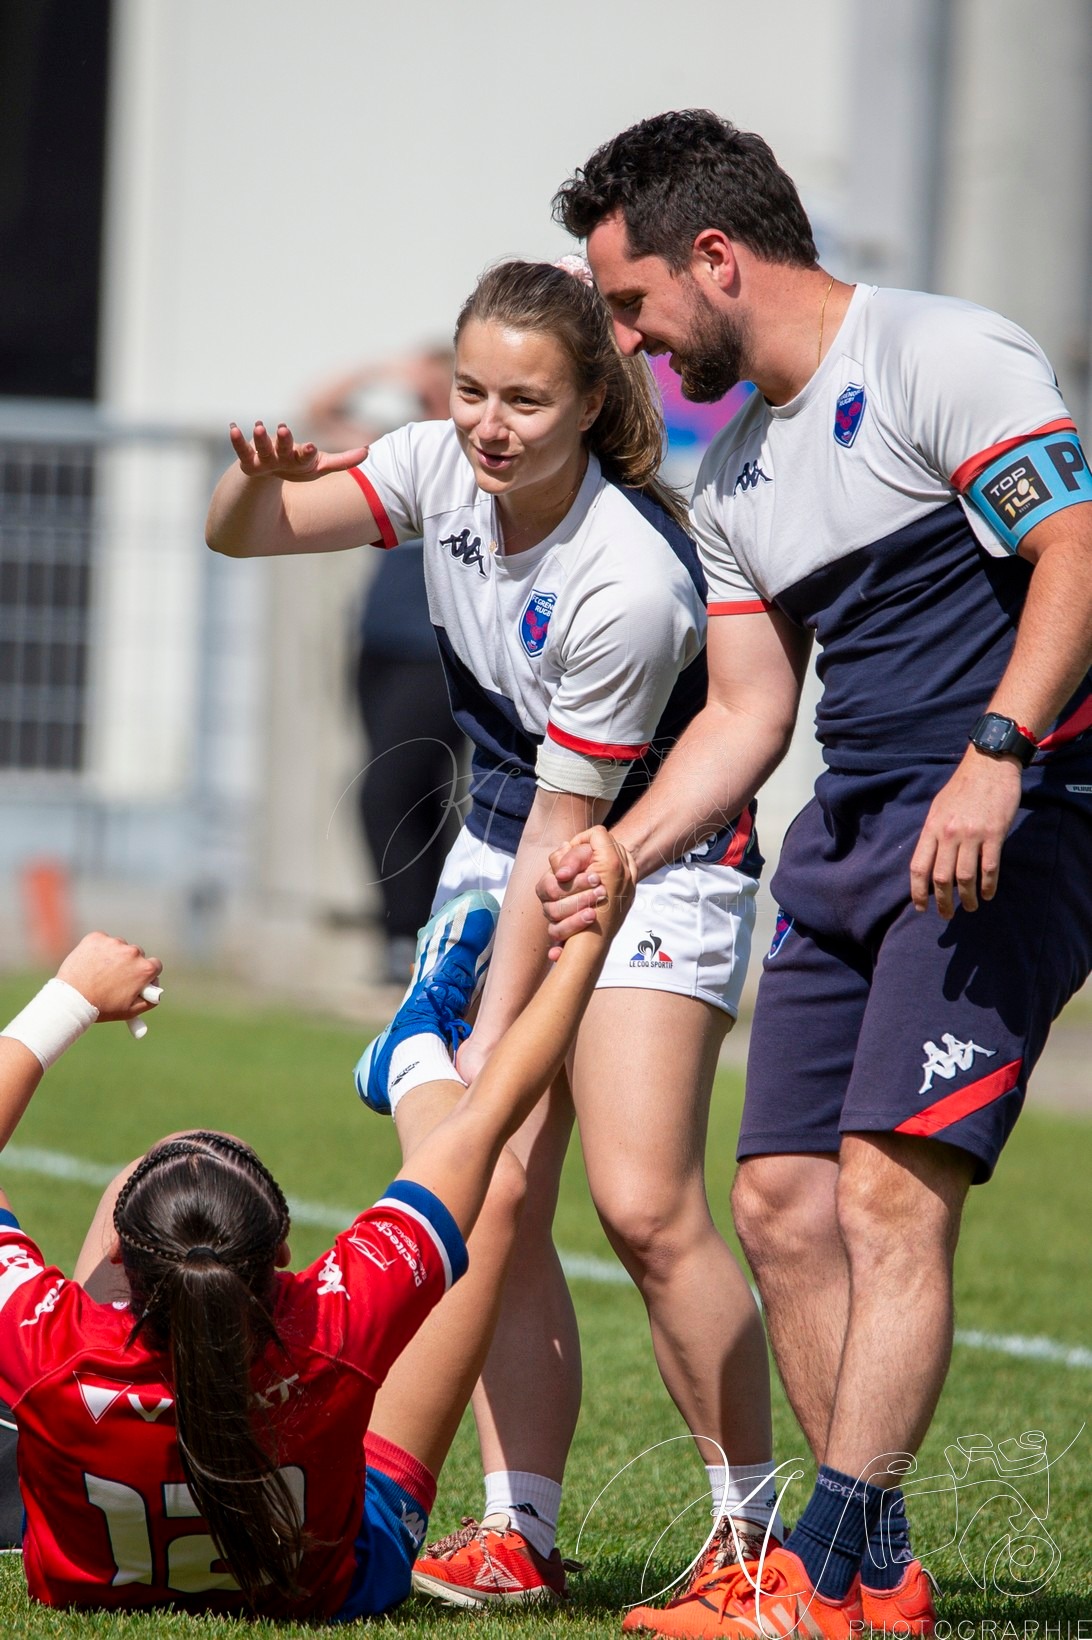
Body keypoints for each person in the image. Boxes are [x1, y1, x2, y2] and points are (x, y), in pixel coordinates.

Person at [540, 109, 1092, 1639]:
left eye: (636, 304)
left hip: (1009, 811)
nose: (636, 345)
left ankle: (817, 1579)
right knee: (780, 1202)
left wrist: (999, 747)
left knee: (884, 1198)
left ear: (716, 257)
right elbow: (746, 715)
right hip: (854, 834)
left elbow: (1079, 557)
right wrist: (621, 849)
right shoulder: (738, 484)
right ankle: (882, 1573)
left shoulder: (940, 353)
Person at [205, 257, 782, 1606]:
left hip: (654, 860)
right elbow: (244, 533)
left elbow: (565, 837)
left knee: (641, 1203)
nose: (489, 424)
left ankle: (754, 1552)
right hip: (509, 846)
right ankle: (517, 1531)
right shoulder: (433, 466)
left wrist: (485, 1062)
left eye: (526, 399)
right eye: (471, 390)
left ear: (592, 401)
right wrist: (256, 472)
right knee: (497, 1201)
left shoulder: (627, 580)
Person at [0, 826, 638, 1618]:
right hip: (334, 1575)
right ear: (285, 1261)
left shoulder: (48, 1347)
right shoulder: (324, 1327)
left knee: (162, 1164)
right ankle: (410, 1049)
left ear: (123, 1264)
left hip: (94, 1552)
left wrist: (70, 996)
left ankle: (395, 1051)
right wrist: (589, 939)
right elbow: (484, 1123)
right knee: (495, 1194)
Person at [305, 349, 466, 984]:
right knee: (415, 794)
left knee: (385, 792)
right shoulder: (398, 449)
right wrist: (383, 366)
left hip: (436, 653)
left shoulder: (473, 458)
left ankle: (405, 938)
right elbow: (319, 409)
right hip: (378, 645)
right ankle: (432, 935)